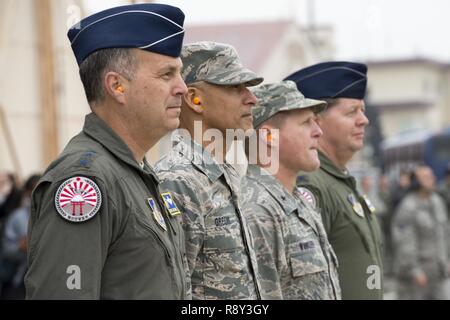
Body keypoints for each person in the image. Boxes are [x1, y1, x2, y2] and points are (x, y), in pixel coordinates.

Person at [25, 3, 189, 299]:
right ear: (117, 86)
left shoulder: (135, 172)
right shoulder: (85, 179)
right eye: (167, 75)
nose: (183, 88)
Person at [154, 41, 264, 299]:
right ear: (194, 98)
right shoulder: (176, 181)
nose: (252, 98)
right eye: (235, 88)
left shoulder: (228, 174)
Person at [286, 62, 383, 299]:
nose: (364, 120)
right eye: (351, 112)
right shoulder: (312, 184)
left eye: (362, 110)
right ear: (317, 121)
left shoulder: (340, 180)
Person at [243, 81, 341, 299]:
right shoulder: (256, 211)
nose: (318, 131)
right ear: (269, 137)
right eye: (306, 122)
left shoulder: (298, 200)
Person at [392, 165, 450, 299]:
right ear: (416, 182)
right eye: (427, 177)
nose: (433, 179)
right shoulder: (408, 207)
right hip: (417, 278)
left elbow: (445, 233)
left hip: (438, 273)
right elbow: (404, 242)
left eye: (432, 176)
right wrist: (414, 270)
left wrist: (447, 260)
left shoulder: (437, 202)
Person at [1, 174, 40, 299]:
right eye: (36, 190)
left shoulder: (56, 218)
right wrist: (21, 247)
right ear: (28, 192)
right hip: (20, 282)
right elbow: (6, 251)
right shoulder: (17, 218)